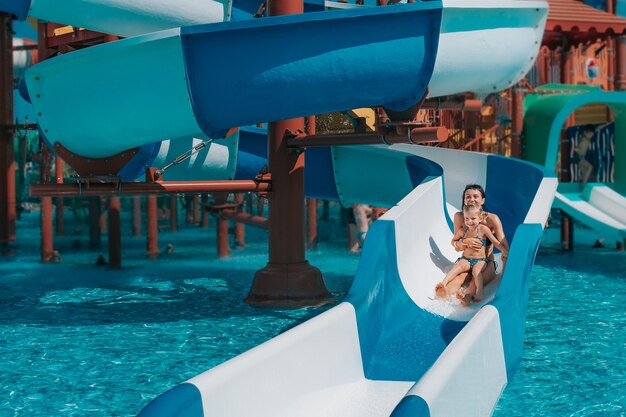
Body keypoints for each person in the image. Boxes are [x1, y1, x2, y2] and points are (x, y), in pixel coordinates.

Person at [435, 184, 509, 302]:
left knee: (475, 281)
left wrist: (506, 265)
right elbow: (457, 246)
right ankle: (444, 293)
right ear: (464, 200)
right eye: (467, 197)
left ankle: (467, 296)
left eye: (476, 196)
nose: (471, 199)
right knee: (460, 278)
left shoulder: (492, 219)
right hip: (466, 260)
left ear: (483, 200)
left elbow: (502, 243)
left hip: (485, 262)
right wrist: (465, 242)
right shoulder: (460, 217)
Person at [573, 123, 611, 189]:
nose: (591, 135)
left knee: (588, 173)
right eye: (589, 134)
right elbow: (578, 147)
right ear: (585, 133)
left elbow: (598, 128)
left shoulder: (587, 137)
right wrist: (576, 148)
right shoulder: (583, 138)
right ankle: (583, 186)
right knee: (590, 167)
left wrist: (607, 124)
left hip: (580, 157)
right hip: (578, 157)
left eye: (592, 134)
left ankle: (577, 181)